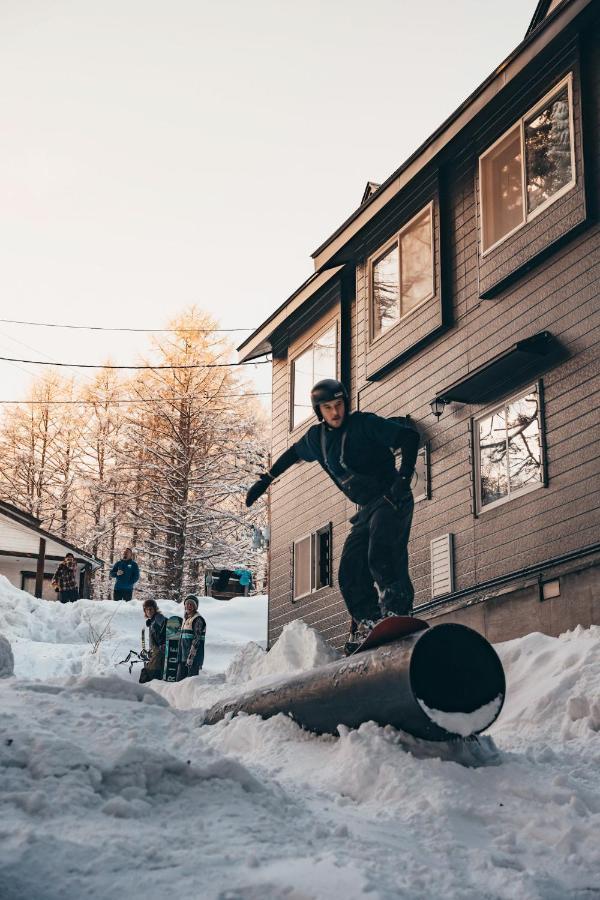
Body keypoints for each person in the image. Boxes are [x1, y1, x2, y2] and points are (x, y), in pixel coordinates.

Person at [245, 378, 420, 653]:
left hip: (391, 497)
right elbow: (292, 454)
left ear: (346, 404)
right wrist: (266, 479)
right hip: (366, 509)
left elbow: (409, 437)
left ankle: (397, 611)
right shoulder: (317, 439)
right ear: (319, 411)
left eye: (339, 405)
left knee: (381, 553)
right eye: (328, 408)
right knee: (349, 571)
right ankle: (370, 621)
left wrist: (403, 477)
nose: (336, 413)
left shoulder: (364, 423)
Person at [176, 595, 206, 680]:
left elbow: (197, 639)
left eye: (191, 604)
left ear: (195, 606)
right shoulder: (186, 619)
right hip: (183, 657)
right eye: (187, 604)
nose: (189, 606)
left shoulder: (198, 619)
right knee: (180, 683)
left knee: (189, 684)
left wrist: (191, 657)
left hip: (192, 659)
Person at [139, 599, 166, 684]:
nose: (149, 611)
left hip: (159, 651)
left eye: (151, 609)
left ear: (155, 609)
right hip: (155, 651)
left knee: (150, 671)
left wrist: (162, 643)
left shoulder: (158, 618)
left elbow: (165, 625)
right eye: (147, 609)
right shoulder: (152, 621)